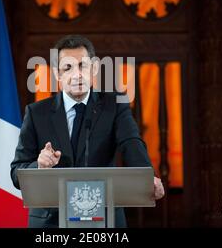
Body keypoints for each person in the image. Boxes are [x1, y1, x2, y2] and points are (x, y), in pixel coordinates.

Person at [11, 34, 165, 228]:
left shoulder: (114, 105)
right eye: (68, 67)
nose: (77, 74)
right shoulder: (36, 113)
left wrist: (147, 177)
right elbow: (16, 173)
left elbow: (131, 142)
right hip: (51, 222)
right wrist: (40, 167)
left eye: (82, 66)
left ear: (93, 69)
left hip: (104, 219)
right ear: (58, 75)